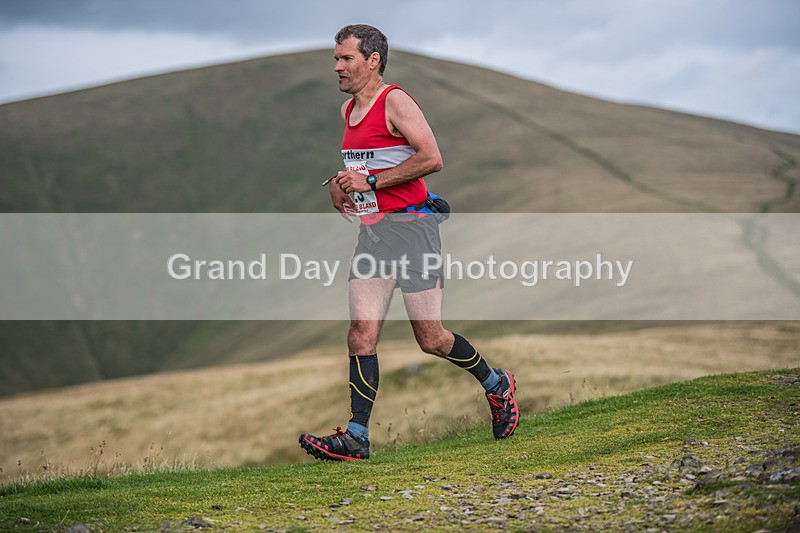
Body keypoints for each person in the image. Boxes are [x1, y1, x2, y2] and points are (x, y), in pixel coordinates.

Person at [299, 24, 519, 461]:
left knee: (432, 339)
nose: (337, 67)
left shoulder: (394, 101)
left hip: (415, 233)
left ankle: (497, 386)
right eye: (335, 59)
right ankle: (357, 437)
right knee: (361, 335)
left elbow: (431, 158)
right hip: (374, 235)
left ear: (373, 59)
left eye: (346, 58)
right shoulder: (347, 111)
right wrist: (340, 184)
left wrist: (372, 181)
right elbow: (366, 164)